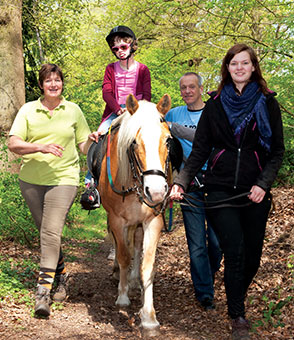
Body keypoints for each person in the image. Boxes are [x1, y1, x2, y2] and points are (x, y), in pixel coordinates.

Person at [170, 44, 284, 340]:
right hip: (219, 191)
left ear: (253, 67)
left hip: (254, 191)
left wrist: (262, 184)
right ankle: (238, 315)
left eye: (245, 63)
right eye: (234, 64)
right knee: (233, 252)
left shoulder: (268, 103)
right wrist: (181, 182)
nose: (239, 68)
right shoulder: (216, 104)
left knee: (252, 258)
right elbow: (200, 150)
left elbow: (277, 152)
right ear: (227, 68)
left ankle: (234, 292)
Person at [8, 63, 98, 317]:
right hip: (31, 180)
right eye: (48, 81)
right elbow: (13, 143)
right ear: (41, 85)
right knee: (48, 234)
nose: (53, 84)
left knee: (50, 231)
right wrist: (40, 147)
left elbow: (82, 146)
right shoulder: (28, 110)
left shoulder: (73, 110)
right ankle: (62, 276)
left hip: (64, 178)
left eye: (57, 80)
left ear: (61, 83)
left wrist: (91, 142)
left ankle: (42, 293)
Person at [166, 72, 222, 311]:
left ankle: (206, 275)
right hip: (189, 185)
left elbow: (210, 142)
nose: (187, 91)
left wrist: (176, 129)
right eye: (183, 88)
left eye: (192, 87)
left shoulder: (215, 111)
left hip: (219, 183)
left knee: (218, 243)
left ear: (201, 88)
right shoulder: (172, 113)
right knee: (196, 244)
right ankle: (204, 292)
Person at [82, 25, 151, 210]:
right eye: (115, 49)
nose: (119, 51)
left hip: (137, 110)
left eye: (123, 47)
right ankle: (91, 185)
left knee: (154, 136)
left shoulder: (143, 70)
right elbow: (107, 93)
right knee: (99, 138)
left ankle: (162, 178)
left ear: (132, 46)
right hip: (115, 111)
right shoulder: (110, 69)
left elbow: (146, 94)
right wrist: (117, 110)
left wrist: (135, 110)